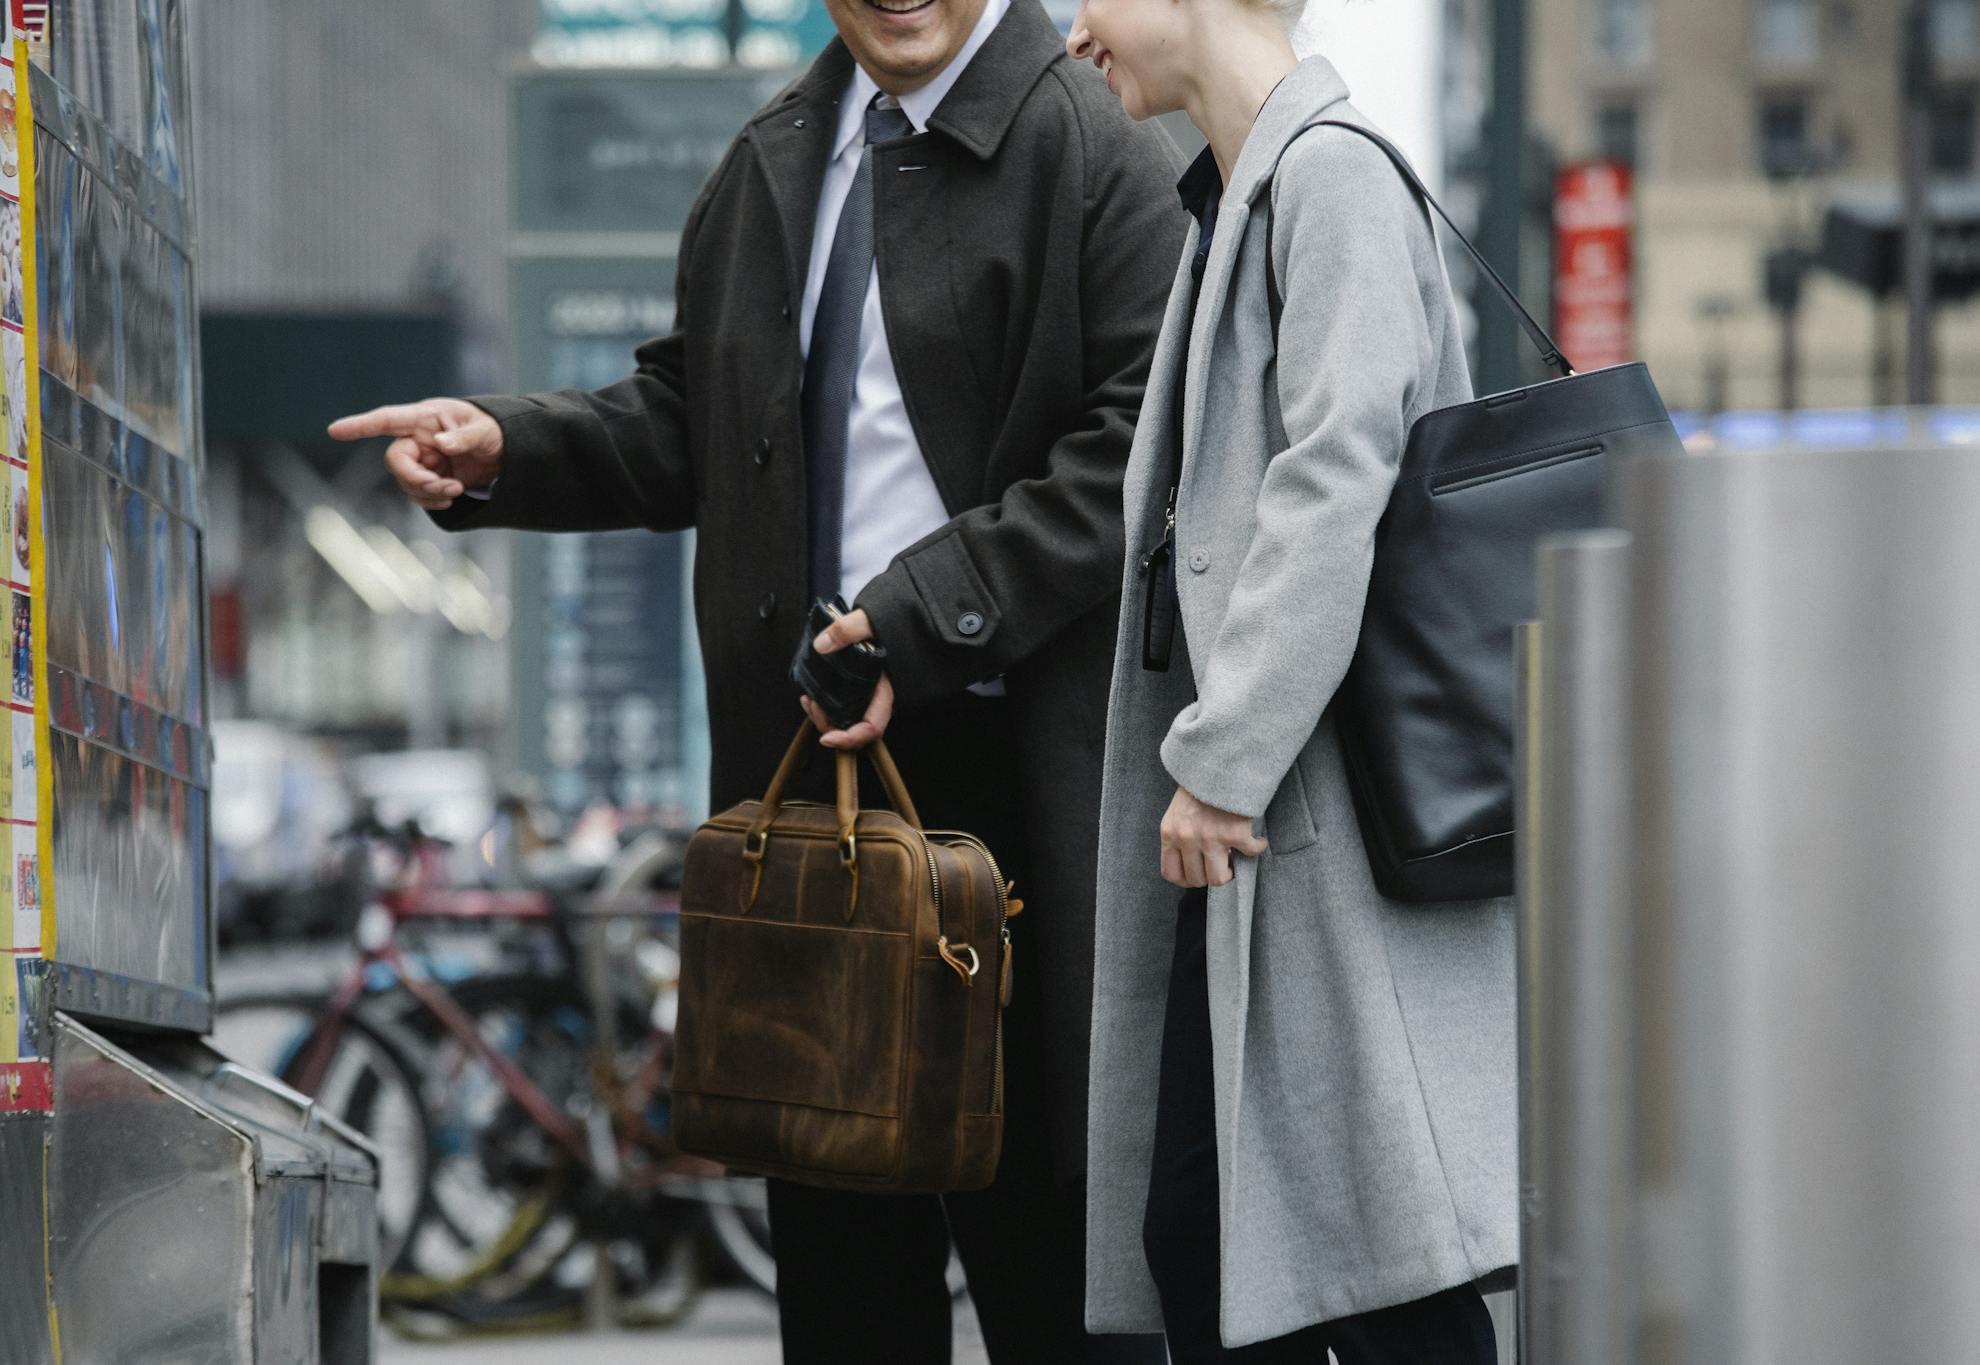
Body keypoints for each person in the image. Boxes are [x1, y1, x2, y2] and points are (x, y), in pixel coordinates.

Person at [327, 1, 1183, 1359]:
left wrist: (919, 615)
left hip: (1019, 812)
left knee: (1056, 1291)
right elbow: (692, 421)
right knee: (842, 1293)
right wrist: (507, 449)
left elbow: (1144, 449)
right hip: (805, 802)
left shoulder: (1093, 147)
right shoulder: (778, 151)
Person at [1065, 0, 1517, 1360]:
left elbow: (1334, 481)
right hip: (1274, 834)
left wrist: (1222, 758)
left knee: (1368, 1272)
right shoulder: (1246, 197)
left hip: (1301, 821)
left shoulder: (1329, 174)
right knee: (1235, 1247)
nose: (1078, 32)